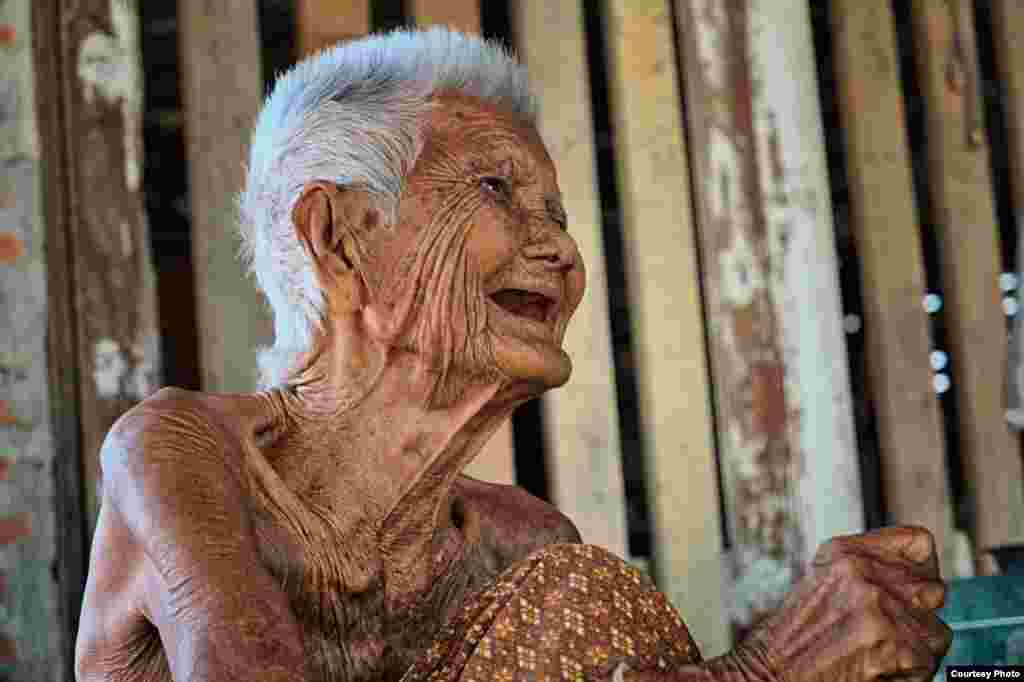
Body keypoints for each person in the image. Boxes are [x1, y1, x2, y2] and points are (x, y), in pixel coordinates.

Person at [74, 28, 951, 682]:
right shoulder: (185, 455)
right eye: (496, 188)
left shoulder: (519, 546)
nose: (561, 254)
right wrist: (765, 672)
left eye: (562, 217)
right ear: (338, 240)